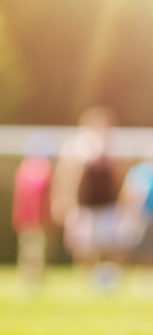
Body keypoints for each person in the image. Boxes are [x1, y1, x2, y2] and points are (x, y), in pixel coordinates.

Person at [51, 106, 124, 287]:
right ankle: (85, 283)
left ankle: (106, 283)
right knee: (83, 247)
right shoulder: (75, 147)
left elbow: (121, 176)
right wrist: (62, 200)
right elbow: (65, 175)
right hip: (83, 207)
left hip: (108, 206)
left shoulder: (114, 147)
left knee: (109, 246)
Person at [12, 136, 54, 285]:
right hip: (28, 220)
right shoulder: (26, 171)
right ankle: (27, 278)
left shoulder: (46, 171)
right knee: (28, 250)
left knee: (38, 250)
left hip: (40, 220)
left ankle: (37, 279)